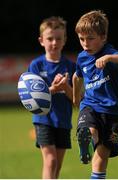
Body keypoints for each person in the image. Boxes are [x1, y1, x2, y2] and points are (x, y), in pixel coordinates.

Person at [72, 10, 118, 179]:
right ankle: (86, 139)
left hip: (114, 113)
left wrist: (109, 58)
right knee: (88, 128)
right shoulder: (82, 58)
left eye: (90, 38)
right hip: (90, 106)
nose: (85, 43)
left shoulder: (110, 52)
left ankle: (91, 146)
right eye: (81, 39)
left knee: (101, 158)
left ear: (103, 37)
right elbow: (76, 77)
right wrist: (75, 97)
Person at [28, 16, 76, 179]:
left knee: (57, 166)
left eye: (58, 38)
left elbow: (77, 100)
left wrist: (66, 87)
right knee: (51, 161)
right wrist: (54, 89)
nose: (54, 42)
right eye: (50, 38)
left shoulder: (71, 66)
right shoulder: (36, 65)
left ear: (65, 40)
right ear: (41, 40)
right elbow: (32, 98)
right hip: (43, 120)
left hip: (63, 121)